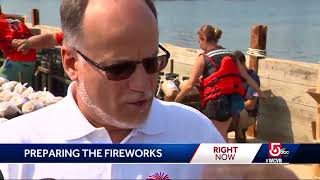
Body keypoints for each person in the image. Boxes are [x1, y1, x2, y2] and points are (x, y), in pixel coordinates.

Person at [0, 0, 225, 179]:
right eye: (119, 69)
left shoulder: (197, 133)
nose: (142, 85)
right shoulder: (15, 147)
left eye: (151, 63)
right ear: (71, 64)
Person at [174, 25, 266, 142]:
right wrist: (260, 93)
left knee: (215, 138)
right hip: (231, 102)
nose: (199, 45)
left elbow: (189, 85)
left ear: (204, 38)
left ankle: (217, 159)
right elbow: (247, 77)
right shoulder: (231, 55)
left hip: (215, 104)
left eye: (199, 41)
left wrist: (176, 100)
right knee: (221, 135)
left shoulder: (203, 58)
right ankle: (222, 157)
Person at [0, 12, 36, 85]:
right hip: (31, 60)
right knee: (24, 89)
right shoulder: (12, 20)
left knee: (2, 86)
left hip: (16, 61)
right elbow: (21, 17)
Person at [233, 50, 261, 142]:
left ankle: (240, 138)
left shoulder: (254, 79)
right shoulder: (235, 76)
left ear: (243, 63)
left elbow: (251, 104)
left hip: (248, 114)